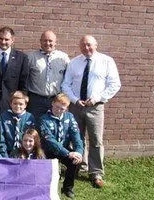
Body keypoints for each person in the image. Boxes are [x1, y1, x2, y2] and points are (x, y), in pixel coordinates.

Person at [61, 35, 121, 188]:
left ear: (96, 45)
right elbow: (65, 85)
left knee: (96, 140)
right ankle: (76, 167)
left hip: (95, 107)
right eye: (83, 45)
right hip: (76, 106)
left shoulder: (106, 61)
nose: (86, 48)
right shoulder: (74, 63)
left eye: (89, 45)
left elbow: (115, 84)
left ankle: (96, 173)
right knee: (76, 138)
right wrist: (74, 100)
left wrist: (98, 98)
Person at [39, 93, 84, 198]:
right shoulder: (44, 119)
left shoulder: (70, 117)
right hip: (48, 150)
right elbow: (50, 141)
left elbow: (76, 136)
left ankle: (68, 188)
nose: (59, 110)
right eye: (57, 107)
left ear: (67, 108)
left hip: (64, 148)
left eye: (62, 109)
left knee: (73, 162)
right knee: (45, 166)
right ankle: (46, 187)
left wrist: (79, 152)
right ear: (52, 103)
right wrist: (68, 153)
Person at [0, 26, 30, 116]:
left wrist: (21, 100)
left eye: (6, 39)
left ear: (12, 40)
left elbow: (24, 81)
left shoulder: (22, 58)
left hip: (12, 103)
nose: (3, 42)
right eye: (1, 39)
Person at [27, 30, 70, 121]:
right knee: (34, 127)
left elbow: (69, 79)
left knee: (55, 126)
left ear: (55, 42)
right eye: (45, 40)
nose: (47, 43)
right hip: (36, 100)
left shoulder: (63, 58)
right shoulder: (31, 57)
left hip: (56, 100)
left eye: (50, 41)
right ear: (40, 41)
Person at [0, 91, 35, 157]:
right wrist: (5, 156)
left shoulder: (30, 117)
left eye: (21, 104)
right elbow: (1, 138)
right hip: (8, 151)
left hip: (25, 151)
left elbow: (33, 138)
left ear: (25, 105)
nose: (17, 106)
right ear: (10, 104)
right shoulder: (3, 117)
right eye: (15, 103)